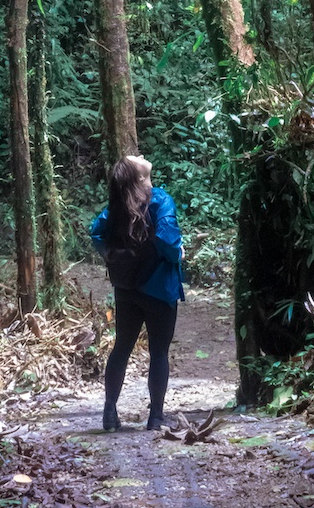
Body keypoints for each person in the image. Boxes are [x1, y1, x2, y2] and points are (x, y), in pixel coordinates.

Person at [90, 154, 184, 432]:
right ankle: (155, 417)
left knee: (122, 347)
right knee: (159, 352)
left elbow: (97, 234)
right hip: (160, 289)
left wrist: (117, 257)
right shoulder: (160, 200)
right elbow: (168, 240)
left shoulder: (115, 208)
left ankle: (109, 413)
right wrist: (177, 253)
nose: (140, 155)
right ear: (140, 177)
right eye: (136, 158)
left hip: (127, 289)